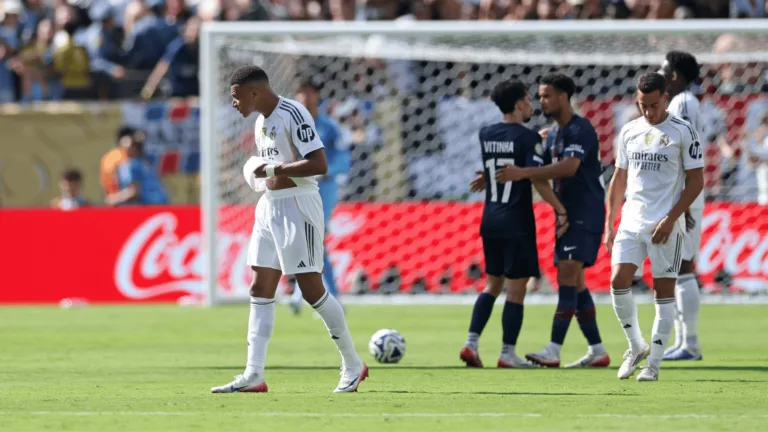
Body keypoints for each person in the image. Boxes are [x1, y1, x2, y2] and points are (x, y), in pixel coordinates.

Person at [211, 66, 367, 393]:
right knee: (260, 287)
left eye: (237, 97)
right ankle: (254, 374)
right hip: (270, 206)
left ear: (254, 92)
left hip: (299, 205)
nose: (235, 104)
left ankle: (353, 364)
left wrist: (273, 169)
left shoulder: (293, 114)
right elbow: (272, 172)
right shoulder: (260, 122)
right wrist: (263, 175)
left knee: (311, 290)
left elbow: (319, 163)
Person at [499, 73, 611, 368]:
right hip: (567, 213)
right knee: (576, 285)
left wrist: (523, 173)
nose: (542, 102)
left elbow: (570, 167)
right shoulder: (556, 134)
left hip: (585, 212)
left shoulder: (580, 129)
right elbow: (543, 171)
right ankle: (598, 350)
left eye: (547, 96)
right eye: (539, 96)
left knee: (566, 278)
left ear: (563, 96)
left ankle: (554, 349)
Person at [460, 79, 566, 369]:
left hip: (490, 218)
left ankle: (471, 343)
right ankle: (507, 353)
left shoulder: (486, 133)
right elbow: (536, 177)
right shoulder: (527, 138)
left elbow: (501, 161)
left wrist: (535, 140)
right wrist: (559, 209)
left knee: (492, 284)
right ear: (520, 103)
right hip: (517, 220)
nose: (533, 105)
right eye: (530, 100)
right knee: (516, 290)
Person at [605, 72, 704, 382]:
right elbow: (619, 178)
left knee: (663, 293)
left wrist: (672, 217)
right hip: (631, 221)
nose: (648, 111)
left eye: (653, 105)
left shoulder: (682, 131)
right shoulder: (630, 131)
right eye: (642, 105)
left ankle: (654, 365)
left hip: (665, 226)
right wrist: (610, 224)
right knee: (618, 280)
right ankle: (636, 346)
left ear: (665, 98)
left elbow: (696, 181)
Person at [657, 51, 705, 361]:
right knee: (675, 268)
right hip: (680, 193)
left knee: (683, 266)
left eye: (662, 68)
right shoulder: (679, 103)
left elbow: (684, 151)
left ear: (674, 75)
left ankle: (691, 343)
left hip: (685, 193)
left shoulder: (684, 102)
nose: (658, 72)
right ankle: (683, 341)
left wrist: (681, 202)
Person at [287, 79, 349, 314]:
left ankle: (329, 296)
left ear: (317, 95)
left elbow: (344, 162)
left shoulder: (329, 127)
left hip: (324, 188)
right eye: (299, 92)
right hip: (298, 188)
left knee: (316, 239)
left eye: (307, 92)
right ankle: (302, 293)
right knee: (305, 241)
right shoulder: (290, 127)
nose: (303, 97)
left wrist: (321, 169)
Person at [107, 131, 169, 206]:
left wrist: (115, 198)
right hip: (163, 205)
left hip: (151, 207)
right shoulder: (144, 163)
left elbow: (134, 192)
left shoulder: (131, 165)